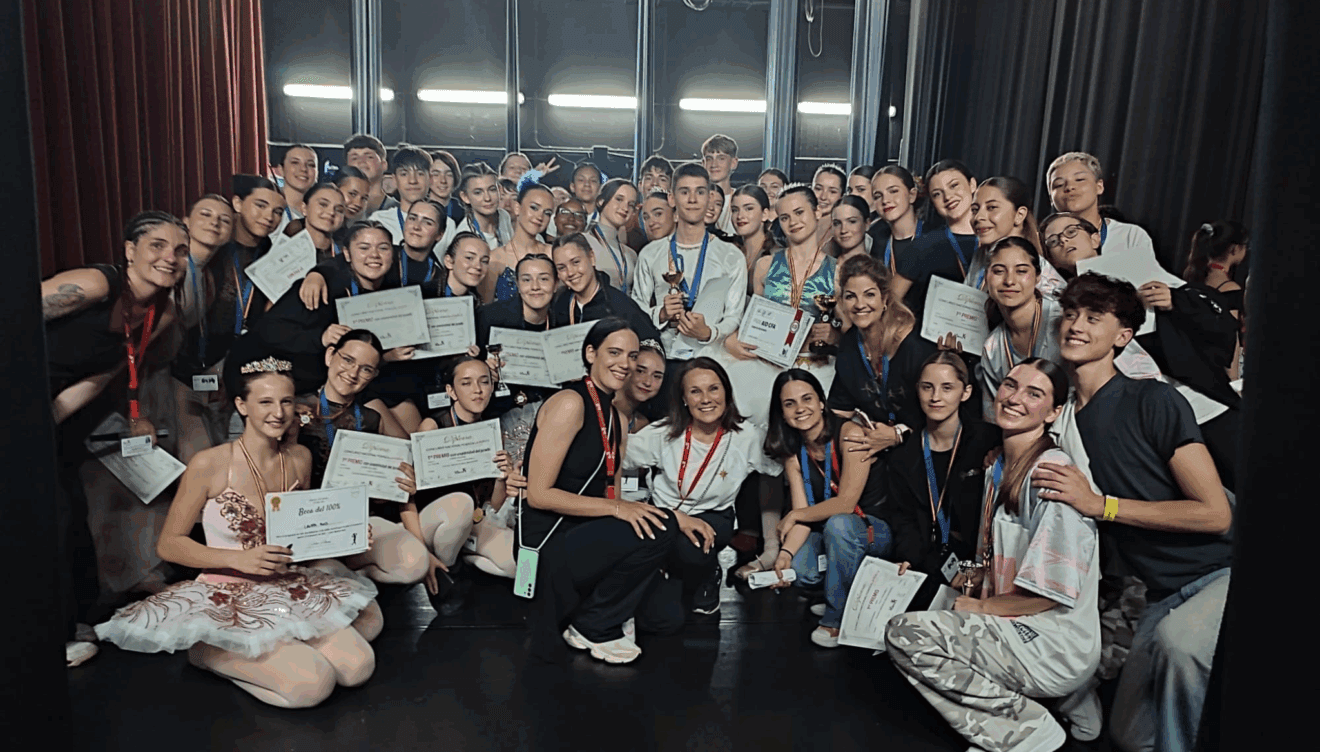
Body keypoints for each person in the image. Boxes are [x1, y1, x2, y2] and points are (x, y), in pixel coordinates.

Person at [95, 358, 381, 708]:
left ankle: (286, 645)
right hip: (226, 590)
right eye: (265, 402)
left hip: (283, 584)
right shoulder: (210, 463)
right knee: (311, 687)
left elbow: (303, 535)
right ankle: (206, 650)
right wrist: (240, 559)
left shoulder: (300, 457)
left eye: (286, 401)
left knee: (358, 669)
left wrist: (348, 537)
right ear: (242, 406)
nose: (278, 412)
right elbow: (169, 545)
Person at [1032, 273, 1232, 751]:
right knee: (1129, 734)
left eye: (1094, 318)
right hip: (1160, 591)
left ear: (1123, 337)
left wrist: (1103, 506)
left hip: (1220, 571)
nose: (1076, 325)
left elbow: (1215, 515)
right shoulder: (1058, 420)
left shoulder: (1154, 399)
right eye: (1073, 315)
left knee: (1180, 647)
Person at [886, 358, 1100, 752]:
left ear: (1054, 412)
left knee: (904, 633)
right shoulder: (998, 465)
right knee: (937, 601)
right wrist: (977, 579)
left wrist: (979, 609)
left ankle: (1027, 730)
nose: (1015, 398)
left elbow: (1050, 592)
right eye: (1010, 385)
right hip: (1023, 627)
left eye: (1034, 394)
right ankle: (1070, 699)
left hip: (1053, 640)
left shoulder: (1051, 475)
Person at [45, 211, 190, 666]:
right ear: (130, 250)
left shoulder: (163, 312)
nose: (170, 257)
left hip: (59, 412)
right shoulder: (97, 283)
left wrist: (50, 420)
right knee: (51, 516)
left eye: (179, 251)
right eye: (157, 246)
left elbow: (106, 370)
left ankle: (72, 619)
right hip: (18, 389)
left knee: (69, 514)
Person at [520, 318, 677, 664]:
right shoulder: (570, 403)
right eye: (615, 352)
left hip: (585, 531)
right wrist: (619, 512)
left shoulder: (614, 415)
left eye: (632, 355)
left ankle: (596, 610)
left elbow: (613, 492)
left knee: (666, 617)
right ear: (591, 353)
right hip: (550, 538)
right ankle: (593, 625)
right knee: (664, 526)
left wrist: (630, 530)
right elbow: (538, 495)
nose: (625, 363)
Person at [624, 358, 781, 618]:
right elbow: (616, 457)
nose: (705, 399)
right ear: (684, 398)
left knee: (691, 549)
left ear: (726, 393)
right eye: (695, 391)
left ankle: (708, 572)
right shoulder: (663, 433)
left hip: (713, 516)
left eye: (713, 389)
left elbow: (777, 472)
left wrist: (772, 544)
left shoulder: (747, 436)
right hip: (664, 515)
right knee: (662, 614)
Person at [294, 330, 432, 590]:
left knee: (415, 563)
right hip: (309, 521)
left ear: (373, 376)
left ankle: (357, 576)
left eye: (366, 369)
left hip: (359, 522)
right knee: (321, 577)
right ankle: (334, 575)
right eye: (347, 360)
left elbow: (392, 483)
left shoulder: (371, 418)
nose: (353, 373)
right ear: (329, 356)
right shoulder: (294, 409)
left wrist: (403, 486)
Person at [763, 369, 891, 648]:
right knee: (801, 569)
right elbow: (804, 515)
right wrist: (784, 555)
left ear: (822, 402)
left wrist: (795, 515)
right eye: (789, 404)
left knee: (839, 524)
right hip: (834, 530)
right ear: (782, 413)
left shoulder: (850, 433)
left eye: (806, 398)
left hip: (873, 529)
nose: (800, 409)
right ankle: (841, 595)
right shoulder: (794, 452)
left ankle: (835, 619)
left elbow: (845, 503)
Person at [172, 175, 284, 444]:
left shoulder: (273, 253)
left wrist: (229, 370)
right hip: (182, 366)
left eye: (278, 211)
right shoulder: (213, 246)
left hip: (231, 365)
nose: (268, 216)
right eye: (259, 205)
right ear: (238, 203)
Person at [233, 221, 400, 394]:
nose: (374, 255)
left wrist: (388, 356)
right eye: (364, 248)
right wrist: (321, 337)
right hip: (284, 386)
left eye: (383, 248)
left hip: (338, 388)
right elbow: (266, 331)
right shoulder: (320, 288)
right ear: (347, 255)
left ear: (393, 254)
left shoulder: (390, 296)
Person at [719, 184, 839, 425]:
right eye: (785, 217)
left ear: (817, 213)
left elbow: (848, 328)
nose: (793, 222)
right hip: (766, 368)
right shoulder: (765, 266)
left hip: (816, 367)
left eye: (799, 212)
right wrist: (731, 338)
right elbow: (753, 318)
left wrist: (834, 335)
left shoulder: (838, 270)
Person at [886, 352, 1000, 599]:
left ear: (966, 392)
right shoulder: (903, 457)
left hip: (983, 562)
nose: (935, 397)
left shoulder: (988, 441)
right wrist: (908, 558)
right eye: (927, 387)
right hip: (929, 557)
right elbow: (903, 518)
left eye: (947, 388)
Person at [415, 357, 522, 593]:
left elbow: (491, 505)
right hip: (434, 521)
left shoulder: (492, 432)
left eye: (484, 382)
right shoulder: (432, 427)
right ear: (451, 391)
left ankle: (465, 560)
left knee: (519, 564)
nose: (477, 390)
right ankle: (448, 574)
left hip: (473, 520)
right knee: (459, 504)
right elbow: (417, 493)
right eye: (466, 383)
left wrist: (502, 477)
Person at [631, 163, 747, 364]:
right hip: (663, 358)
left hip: (710, 359)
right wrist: (662, 313)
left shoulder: (731, 256)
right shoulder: (650, 253)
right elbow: (636, 307)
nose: (692, 200)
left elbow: (734, 315)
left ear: (709, 198)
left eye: (700, 192)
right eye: (684, 192)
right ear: (671, 198)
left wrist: (708, 332)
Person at [828, 254, 936, 448]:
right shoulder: (850, 345)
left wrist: (896, 435)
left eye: (869, 294)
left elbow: (939, 415)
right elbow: (839, 410)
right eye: (850, 296)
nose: (860, 304)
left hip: (920, 443)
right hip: (873, 441)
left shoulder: (915, 346)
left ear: (884, 298)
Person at [170, 195, 236, 460]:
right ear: (185, 222)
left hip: (190, 375)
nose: (214, 223)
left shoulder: (209, 273)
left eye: (224, 219)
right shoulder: (171, 267)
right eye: (206, 214)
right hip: (159, 378)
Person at [892, 159, 979, 320]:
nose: (948, 197)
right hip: (934, 341)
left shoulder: (996, 239)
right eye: (937, 194)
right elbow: (890, 302)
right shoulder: (922, 246)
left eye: (954, 186)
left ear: (972, 184)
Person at [549, 233, 661, 341]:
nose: (570, 272)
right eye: (561, 268)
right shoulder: (559, 304)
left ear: (592, 257)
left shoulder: (620, 305)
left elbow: (652, 343)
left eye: (576, 262)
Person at [963, 175, 1064, 295]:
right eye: (975, 210)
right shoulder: (981, 255)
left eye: (992, 207)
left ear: (1019, 215)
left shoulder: (1041, 273)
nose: (978, 217)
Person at [1046, 151, 1156, 259]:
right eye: (1058, 184)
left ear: (1099, 186)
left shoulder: (1130, 236)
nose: (1069, 187)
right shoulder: (1043, 245)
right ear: (1051, 198)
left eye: (1079, 179)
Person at [1182, 220, 1247, 379]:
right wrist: (1233, 380)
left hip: (1191, 363)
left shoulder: (1192, 276)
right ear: (1234, 249)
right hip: (1217, 370)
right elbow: (1230, 340)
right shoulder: (1229, 288)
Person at [371, 146, 454, 253]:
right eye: (404, 174)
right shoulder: (379, 221)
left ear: (430, 179)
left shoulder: (448, 225)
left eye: (420, 174)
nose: (413, 181)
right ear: (395, 180)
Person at [484, 182, 555, 303]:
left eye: (547, 213)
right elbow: (485, 309)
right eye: (534, 208)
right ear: (517, 208)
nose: (540, 216)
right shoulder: (495, 258)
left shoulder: (553, 254)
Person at [585, 178, 641, 292]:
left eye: (631, 204)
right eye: (619, 199)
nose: (625, 208)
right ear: (600, 201)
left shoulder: (631, 254)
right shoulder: (582, 242)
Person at [868, 165, 924, 273]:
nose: (885, 200)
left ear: (912, 195)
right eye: (878, 196)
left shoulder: (933, 236)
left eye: (893, 191)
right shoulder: (873, 241)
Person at [280, 182, 347, 261]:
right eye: (323, 204)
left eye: (339, 210)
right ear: (304, 208)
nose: (331, 212)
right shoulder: (282, 252)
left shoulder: (345, 255)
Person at [729, 184, 777, 291]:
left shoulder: (777, 256)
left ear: (764, 214)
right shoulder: (728, 251)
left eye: (748, 209)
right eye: (735, 210)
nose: (740, 216)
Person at [459, 162, 515, 250]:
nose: (487, 198)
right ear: (465, 197)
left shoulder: (504, 216)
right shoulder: (464, 234)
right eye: (478, 192)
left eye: (492, 190)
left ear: (499, 190)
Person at [344, 133, 394, 215]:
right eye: (354, 158)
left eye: (369, 157)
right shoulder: (337, 206)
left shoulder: (398, 209)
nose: (361, 161)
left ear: (384, 164)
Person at [701, 133, 738, 233]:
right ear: (703, 164)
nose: (714, 164)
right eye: (709, 159)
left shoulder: (741, 199)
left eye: (721, 158)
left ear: (733, 163)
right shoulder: (696, 198)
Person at [828, 194, 872, 263]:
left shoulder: (877, 270)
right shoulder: (822, 266)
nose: (843, 230)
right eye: (837, 223)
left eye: (852, 221)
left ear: (867, 224)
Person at [811, 165, 847, 247]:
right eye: (818, 189)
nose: (823, 197)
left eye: (832, 192)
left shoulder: (843, 230)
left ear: (842, 196)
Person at [427, 149, 466, 223]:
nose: (443, 181)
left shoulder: (464, 215)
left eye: (449, 175)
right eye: (436, 174)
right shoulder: (416, 209)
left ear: (455, 177)